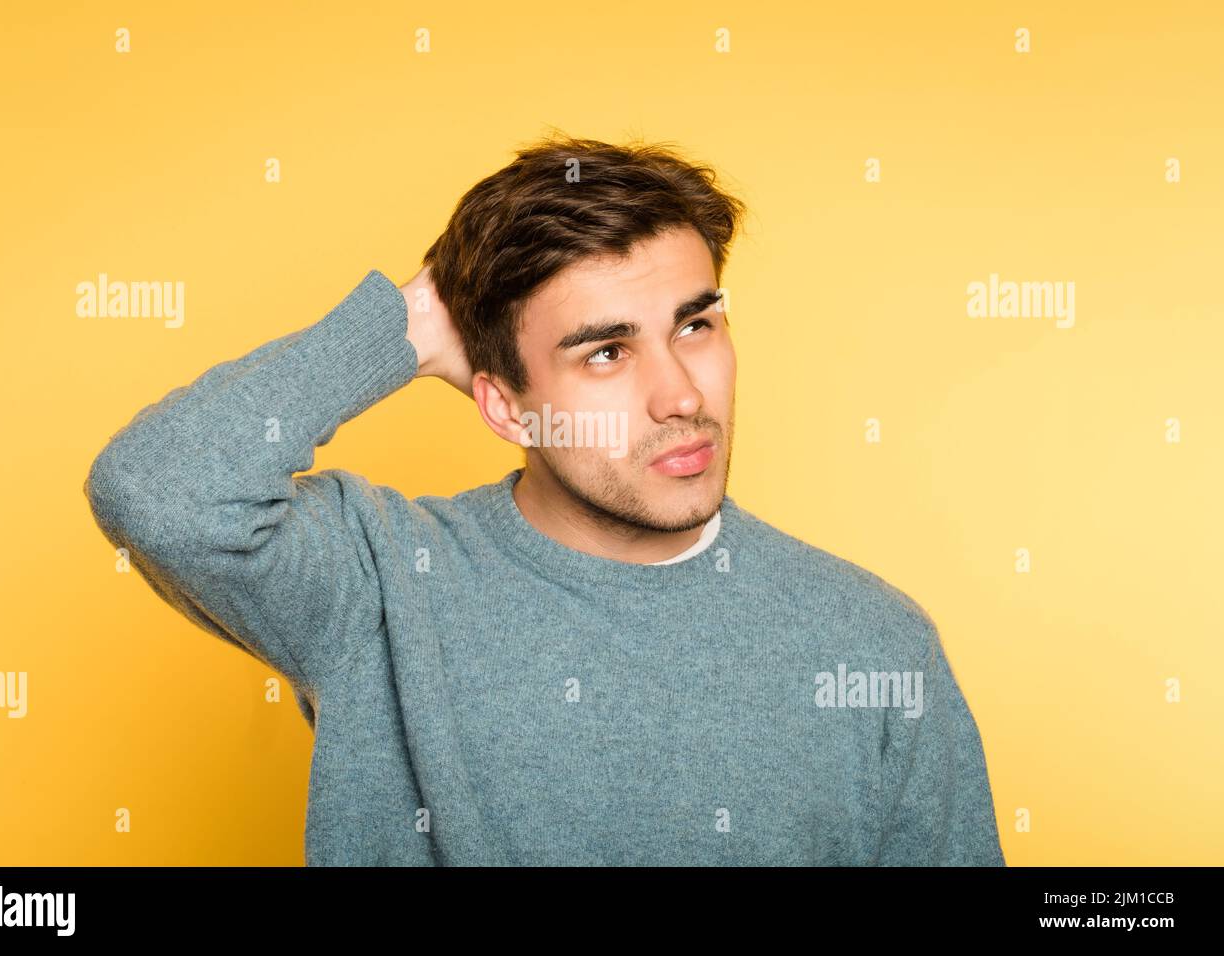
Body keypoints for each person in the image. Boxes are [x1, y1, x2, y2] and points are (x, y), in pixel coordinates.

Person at [84, 134, 1005, 866]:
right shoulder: (380, 583)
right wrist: (407, 325)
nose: (681, 395)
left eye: (697, 325)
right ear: (504, 404)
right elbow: (159, 486)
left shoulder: (872, 642)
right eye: (606, 352)